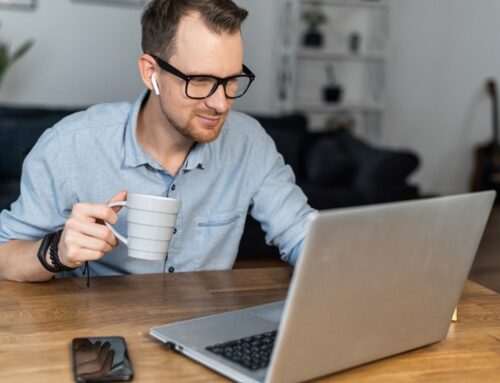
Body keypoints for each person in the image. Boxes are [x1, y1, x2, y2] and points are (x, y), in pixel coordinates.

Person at [0, 0, 315, 282]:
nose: (221, 103)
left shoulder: (250, 143)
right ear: (150, 72)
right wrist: (57, 252)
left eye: (231, 80)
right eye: (200, 80)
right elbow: (4, 254)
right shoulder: (68, 145)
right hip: (101, 336)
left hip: (204, 330)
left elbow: (303, 236)